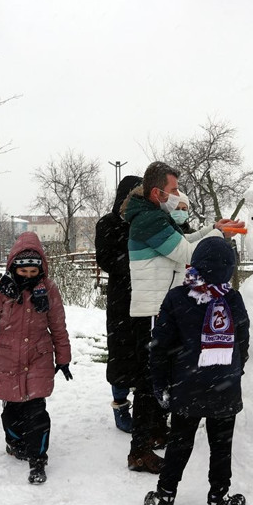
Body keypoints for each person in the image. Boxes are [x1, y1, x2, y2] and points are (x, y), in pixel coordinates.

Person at [123, 161, 243, 473]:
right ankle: (140, 449)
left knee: (158, 376)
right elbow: (189, 255)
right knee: (150, 383)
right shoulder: (148, 221)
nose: (178, 195)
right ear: (156, 192)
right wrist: (217, 235)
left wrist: (213, 228)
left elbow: (185, 241)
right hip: (152, 310)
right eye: (173, 189)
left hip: (159, 307)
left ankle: (155, 433)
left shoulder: (155, 216)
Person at [144, 237, 250, 505]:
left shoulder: (177, 298)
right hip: (225, 388)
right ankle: (218, 500)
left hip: (186, 387)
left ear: (196, 264)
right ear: (229, 269)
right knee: (221, 446)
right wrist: (234, 371)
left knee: (179, 443)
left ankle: (165, 496)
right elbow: (243, 341)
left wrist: (160, 383)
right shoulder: (232, 299)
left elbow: (160, 346)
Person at [0, 232, 72, 485]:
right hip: (5, 360)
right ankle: (15, 442)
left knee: (36, 412)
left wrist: (63, 358)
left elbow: (58, 327)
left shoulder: (48, 290)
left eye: (33, 272)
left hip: (38, 357)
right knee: (12, 411)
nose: (29, 276)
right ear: (13, 268)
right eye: (23, 272)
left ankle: (38, 458)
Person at [94, 174, 142, 433]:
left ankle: (148, 403)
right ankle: (121, 404)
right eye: (133, 195)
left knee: (146, 349)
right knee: (121, 351)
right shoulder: (108, 223)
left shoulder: (145, 220)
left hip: (149, 295)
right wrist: (135, 264)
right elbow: (105, 258)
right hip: (122, 297)